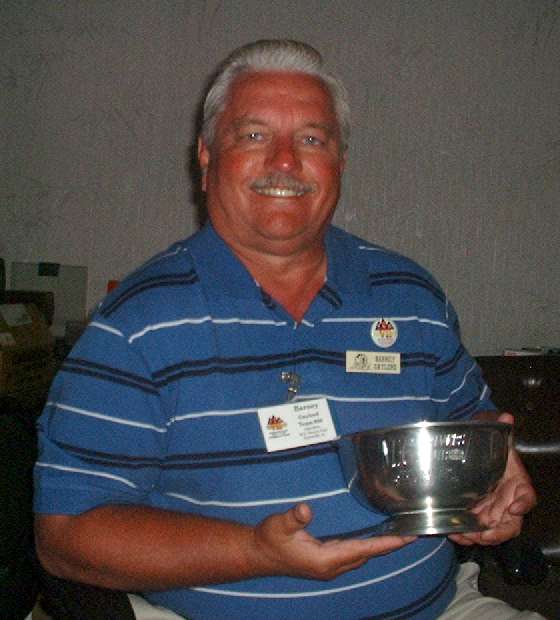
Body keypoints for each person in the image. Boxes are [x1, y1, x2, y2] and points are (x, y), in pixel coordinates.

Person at [34, 39, 540, 619]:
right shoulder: (135, 325)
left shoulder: (411, 296)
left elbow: (468, 417)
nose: (283, 161)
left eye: (311, 139)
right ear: (204, 158)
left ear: (339, 162)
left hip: (437, 608)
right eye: (253, 135)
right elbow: (67, 534)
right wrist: (254, 551)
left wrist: (494, 469)